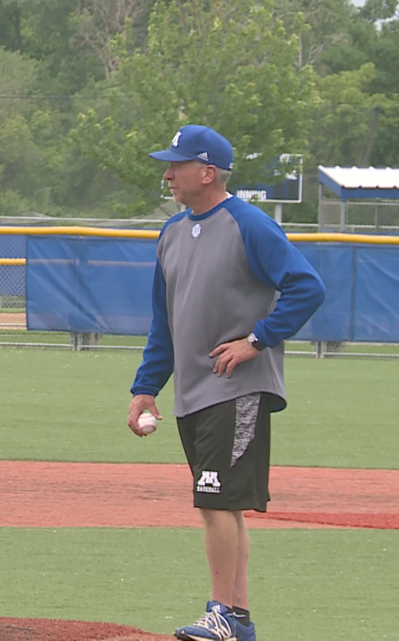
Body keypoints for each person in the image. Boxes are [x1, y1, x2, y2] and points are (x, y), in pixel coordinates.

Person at [128, 125, 326, 641]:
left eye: (176, 165)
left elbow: (307, 286)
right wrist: (145, 386)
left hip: (237, 387)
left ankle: (223, 611)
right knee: (222, 503)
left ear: (208, 171)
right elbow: (164, 320)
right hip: (193, 390)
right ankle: (235, 618)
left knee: (215, 500)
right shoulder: (171, 232)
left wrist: (256, 341)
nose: (168, 174)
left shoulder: (249, 225)